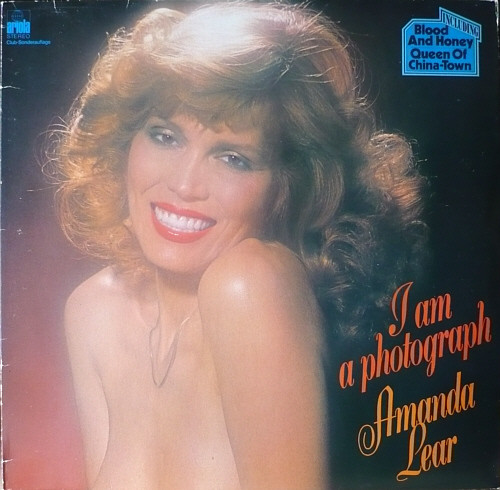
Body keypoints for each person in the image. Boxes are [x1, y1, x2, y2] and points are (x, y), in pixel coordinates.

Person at [51, 1, 425, 488]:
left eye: (233, 158)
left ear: (287, 188)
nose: (184, 184)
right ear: (126, 143)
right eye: (165, 136)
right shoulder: (94, 308)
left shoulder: (249, 283)